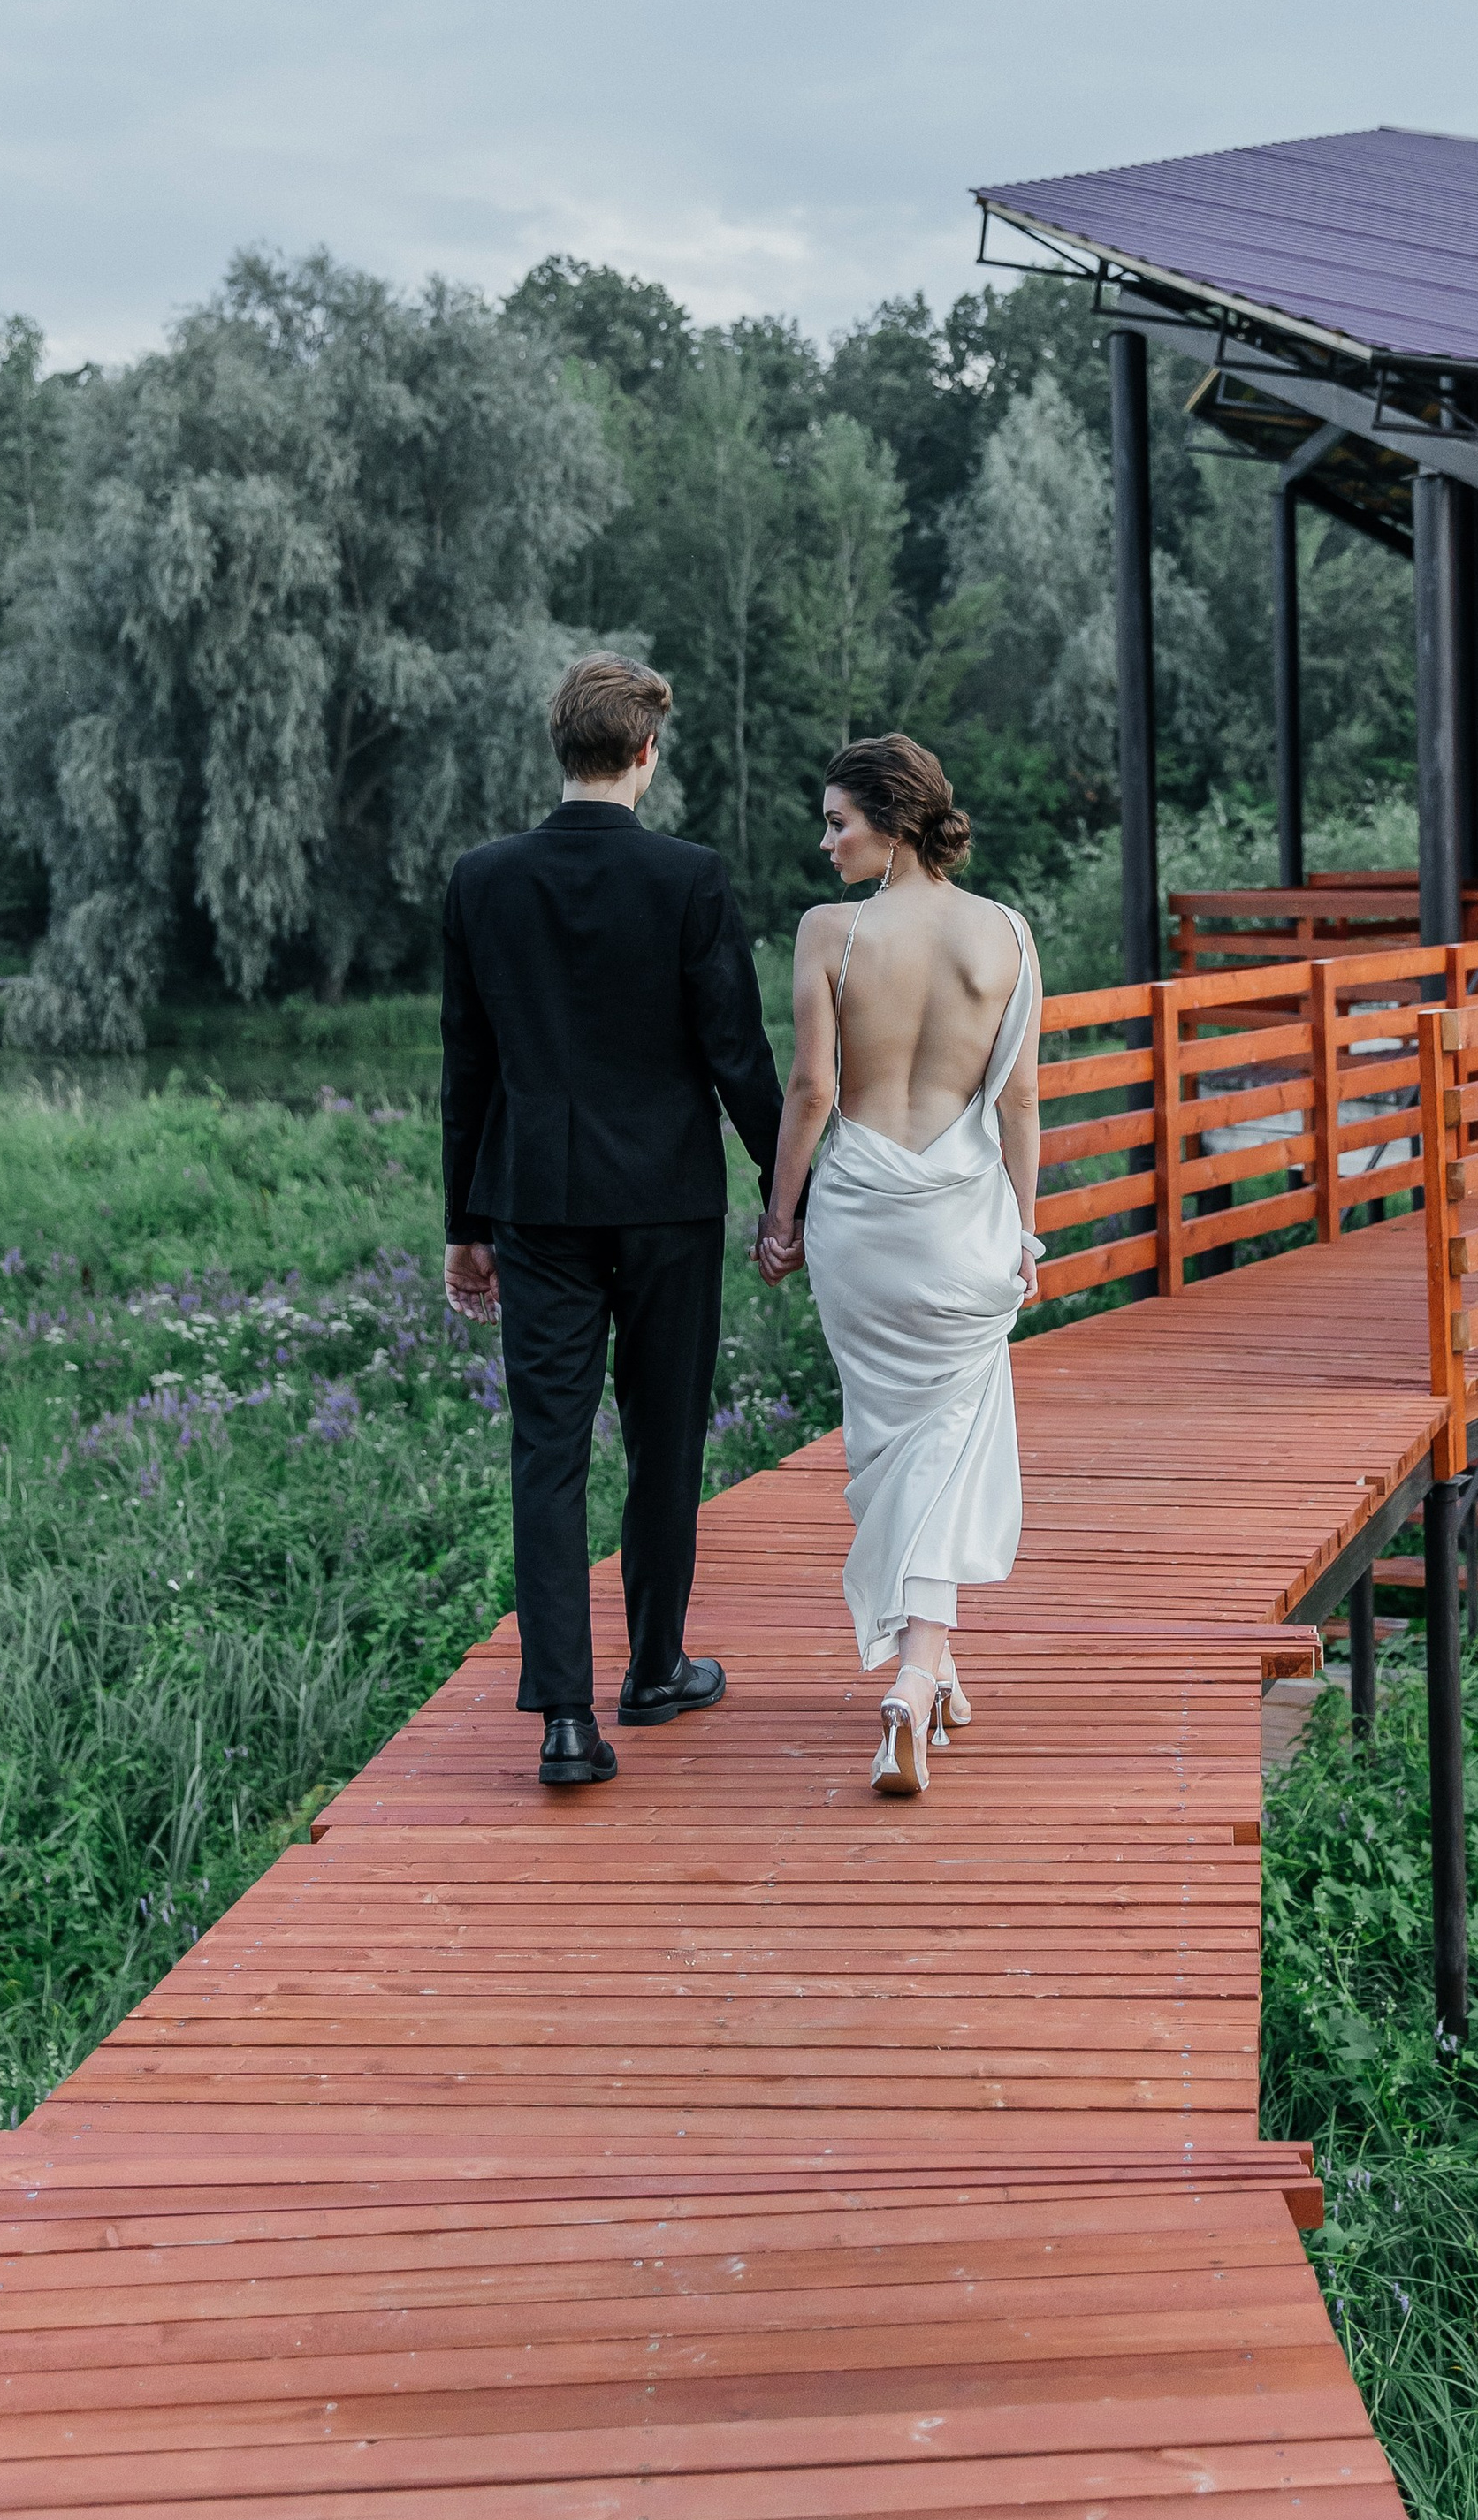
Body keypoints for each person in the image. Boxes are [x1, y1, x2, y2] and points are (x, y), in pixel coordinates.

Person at [441, 652, 786, 1790]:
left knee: (546, 1452)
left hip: (535, 1201)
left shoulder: (481, 880)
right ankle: (654, 1668)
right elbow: (735, 1053)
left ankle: (564, 1725)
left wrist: (464, 1220)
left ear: (564, 749)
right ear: (647, 752)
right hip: (669, 1203)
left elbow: (468, 1067)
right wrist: (789, 1191)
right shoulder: (689, 878)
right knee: (663, 1440)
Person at [755, 735, 1042, 1796]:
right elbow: (1016, 1099)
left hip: (863, 1215)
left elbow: (812, 1093)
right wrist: (1023, 1229)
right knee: (950, 1439)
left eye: (838, 821)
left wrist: (778, 1219)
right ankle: (925, 1679)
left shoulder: (831, 933)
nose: (824, 842)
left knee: (894, 1443)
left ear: (892, 820)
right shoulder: (1005, 934)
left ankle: (921, 1676)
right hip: (962, 1219)